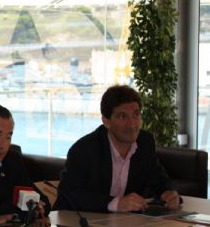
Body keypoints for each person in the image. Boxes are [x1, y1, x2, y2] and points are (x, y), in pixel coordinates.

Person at [56, 85, 180, 213]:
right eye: (123, 116)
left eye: (136, 114)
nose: (132, 124)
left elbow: (160, 180)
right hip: (84, 221)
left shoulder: (145, 142)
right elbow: (68, 195)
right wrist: (116, 203)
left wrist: (168, 193)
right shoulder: (84, 150)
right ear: (106, 121)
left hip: (128, 222)